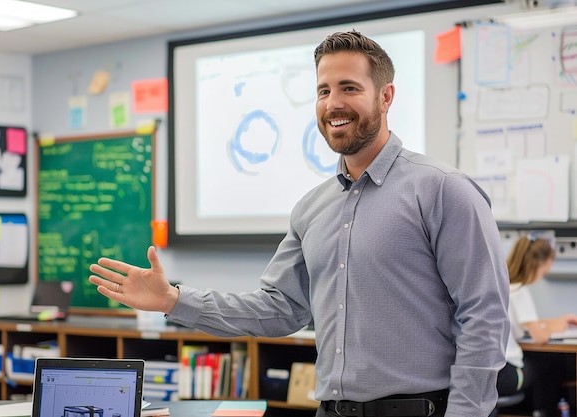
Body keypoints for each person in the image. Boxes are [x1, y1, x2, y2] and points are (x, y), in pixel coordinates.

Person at [89, 30, 510, 417]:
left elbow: (485, 317)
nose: (334, 104)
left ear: (386, 97)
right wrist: (174, 301)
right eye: (324, 90)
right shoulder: (312, 208)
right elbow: (278, 309)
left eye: (350, 88)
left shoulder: (443, 191)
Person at [497, 235, 577, 417]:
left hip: (495, 372)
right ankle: (545, 412)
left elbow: (523, 324)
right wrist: (553, 328)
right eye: (543, 272)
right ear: (536, 265)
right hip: (508, 376)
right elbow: (540, 337)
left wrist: (556, 322)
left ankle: (538, 410)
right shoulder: (521, 291)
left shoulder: (506, 287)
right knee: (554, 364)